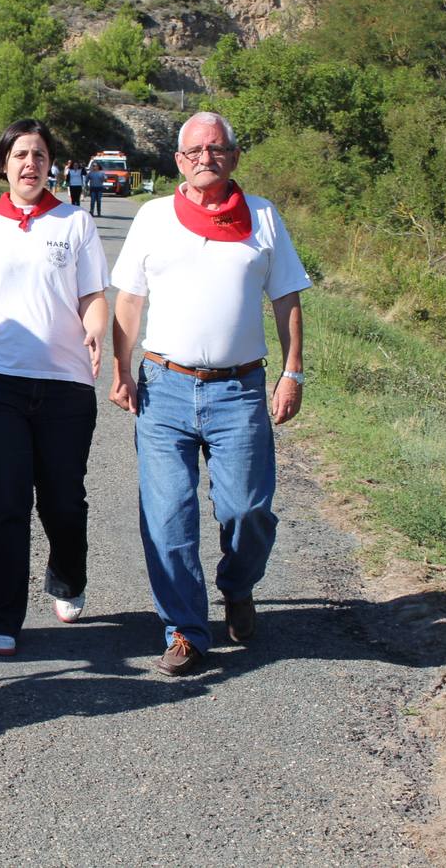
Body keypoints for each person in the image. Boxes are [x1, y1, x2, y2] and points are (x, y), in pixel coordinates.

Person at [108, 111, 309, 676]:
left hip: (239, 390)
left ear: (234, 157)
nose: (205, 157)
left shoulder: (263, 218)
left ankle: (237, 586)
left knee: (249, 511)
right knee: (168, 515)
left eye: (216, 148)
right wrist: (120, 369)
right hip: (164, 387)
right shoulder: (152, 218)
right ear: (178, 160)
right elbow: (128, 301)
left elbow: (287, 300)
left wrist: (292, 372)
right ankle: (186, 633)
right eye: (194, 150)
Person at [0, 118, 110, 657]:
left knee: (63, 500)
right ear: (3, 164)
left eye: (39, 154)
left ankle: (67, 576)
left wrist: (94, 325)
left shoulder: (76, 223)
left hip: (64, 382)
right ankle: (2, 615)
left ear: (51, 164)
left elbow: (93, 295)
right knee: (6, 500)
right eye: (19, 154)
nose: (29, 163)